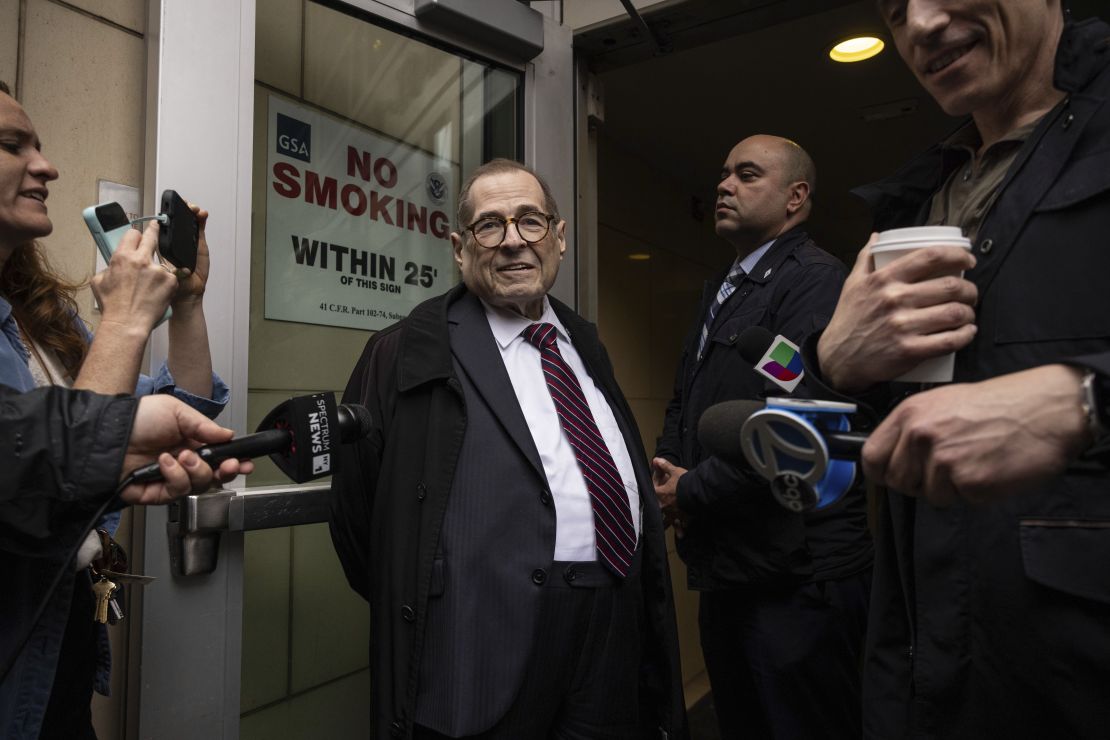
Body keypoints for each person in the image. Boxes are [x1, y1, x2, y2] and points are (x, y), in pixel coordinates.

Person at [809, 2, 1110, 736]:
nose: (921, 22)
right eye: (892, 8)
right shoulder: (926, 195)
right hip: (932, 675)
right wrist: (834, 368)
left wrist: (1083, 403)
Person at [329, 159, 686, 740]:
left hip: (611, 620)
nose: (513, 241)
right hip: (482, 640)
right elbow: (360, 520)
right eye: (490, 226)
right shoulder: (408, 352)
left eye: (530, 222)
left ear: (559, 237)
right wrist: (443, 600)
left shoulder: (584, 344)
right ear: (460, 248)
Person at [0, 80, 229, 739]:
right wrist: (126, 321)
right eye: (14, 145)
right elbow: (51, 477)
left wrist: (185, 305)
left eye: (41, 146)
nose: (47, 165)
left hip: (63, 645)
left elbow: (165, 424)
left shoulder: (41, 319)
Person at [651, 135, 872, 739]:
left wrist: (692, 491)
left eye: (746, 175)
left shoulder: (816, 282)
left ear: (796, 197)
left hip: (798, 578)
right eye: (723, 174)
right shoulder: (723, 288)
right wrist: (669, 465)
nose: (723, 185)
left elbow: (803, 420)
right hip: (733, 565)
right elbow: (686, 396)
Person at [1, 387, 251, 729]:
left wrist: (117, 450)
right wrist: (125, 331)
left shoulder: (58, 333)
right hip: (19, 609)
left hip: (70, 610)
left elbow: (188, 404)